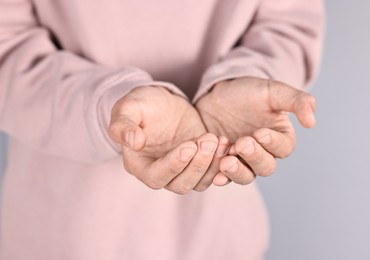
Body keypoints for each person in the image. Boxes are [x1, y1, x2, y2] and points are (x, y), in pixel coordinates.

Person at [0, 0, 324, 259]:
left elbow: (288, 22)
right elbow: (7, 47)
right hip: (56, 238)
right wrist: (109, 107)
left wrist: (248, 76)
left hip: (220, 237)